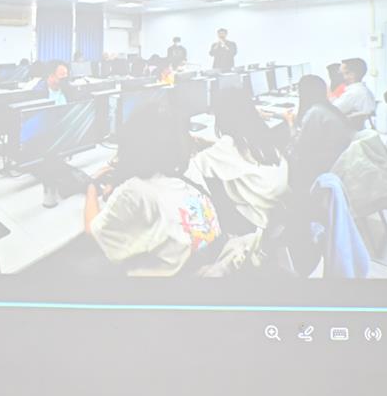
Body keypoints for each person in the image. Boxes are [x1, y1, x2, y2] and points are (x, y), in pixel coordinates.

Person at [84, 102, 221, 276]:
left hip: (166, 283)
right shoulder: (189, 170)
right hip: (202, 266)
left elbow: (92, 230)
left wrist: (91, 186)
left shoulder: (136, 190)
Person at [190, 89, 289, 232]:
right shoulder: (259, 133)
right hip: (276, 205)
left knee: (204, 184)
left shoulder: (228, 146)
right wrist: (210, 145)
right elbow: (237, 153)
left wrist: (189, 147)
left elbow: (192, 166)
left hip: (257, 217)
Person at [285, 75, 354, 193]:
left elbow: (300, 146)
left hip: (323, 164)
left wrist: (290, 123)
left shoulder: (315, 112)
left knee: (283, 152)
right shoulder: (327, 108)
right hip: (335, 158)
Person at [331, 57, 377, 122]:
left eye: (340, 73)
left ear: (351, 75)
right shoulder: (363, 90)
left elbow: (331, 112)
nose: (337, 77)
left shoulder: (353, 93)